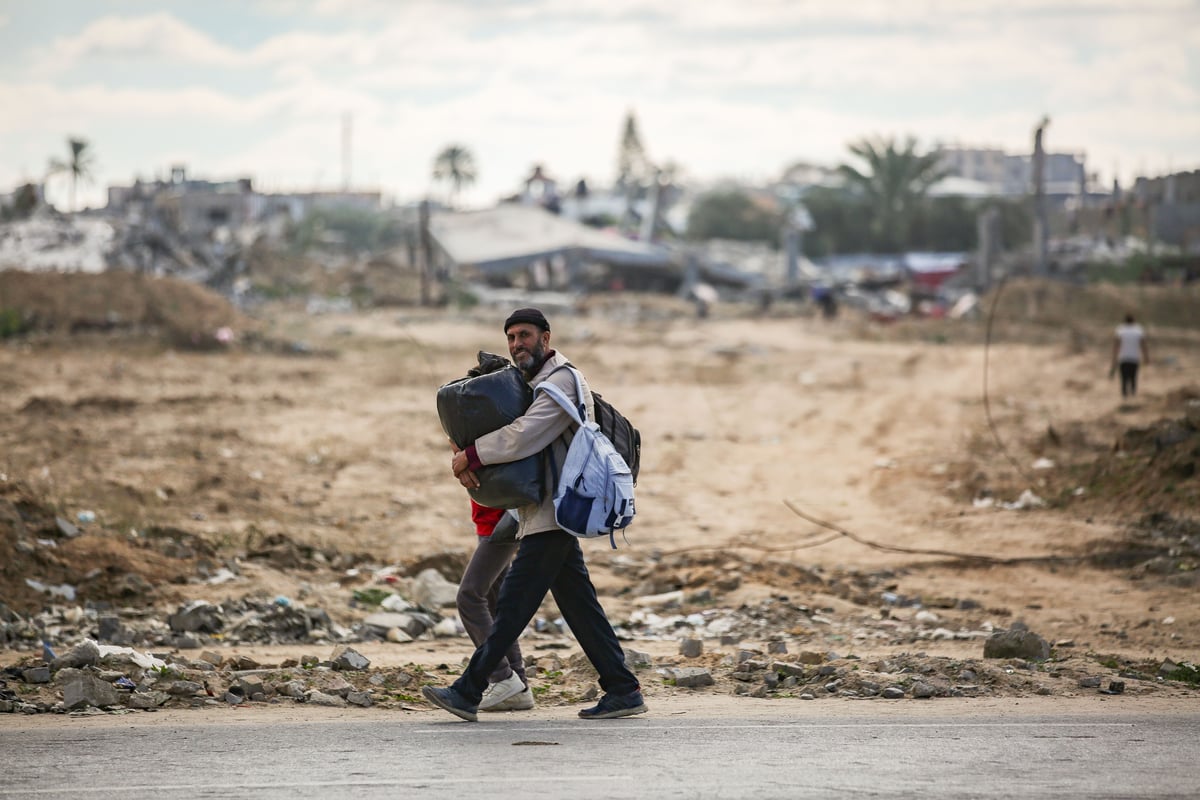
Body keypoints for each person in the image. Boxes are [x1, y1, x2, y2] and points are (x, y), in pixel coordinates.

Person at [423, 307, 646, 722]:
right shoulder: (534, 382)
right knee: (581, 607)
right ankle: (622, 687)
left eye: (524, 335)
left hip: (555, 513)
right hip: (543, 512)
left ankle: (468, 691)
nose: (516, 345)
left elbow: (526, 434)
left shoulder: (562, 381)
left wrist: (473, 454)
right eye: (510, 337)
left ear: (546, 336)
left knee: (511, 606)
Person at [456, 500, 533, 712]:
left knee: (469, 596)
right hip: (489, 518)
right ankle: (519, 687)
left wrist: (470, 463)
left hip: (504, 519)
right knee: (494, 600)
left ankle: (502, 676)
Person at [1111, 313, 1150, 397]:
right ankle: (1133, 394)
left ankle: (1124, 395)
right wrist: (1146, 357)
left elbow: (1116, 345)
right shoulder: (1138, 330)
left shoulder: (1120, 330)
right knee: (1133, 377)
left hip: (1123, 358)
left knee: (1124, 379)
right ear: (1134, 321)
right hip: (1134, 358)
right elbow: (1143, 345)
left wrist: (1114, 358)